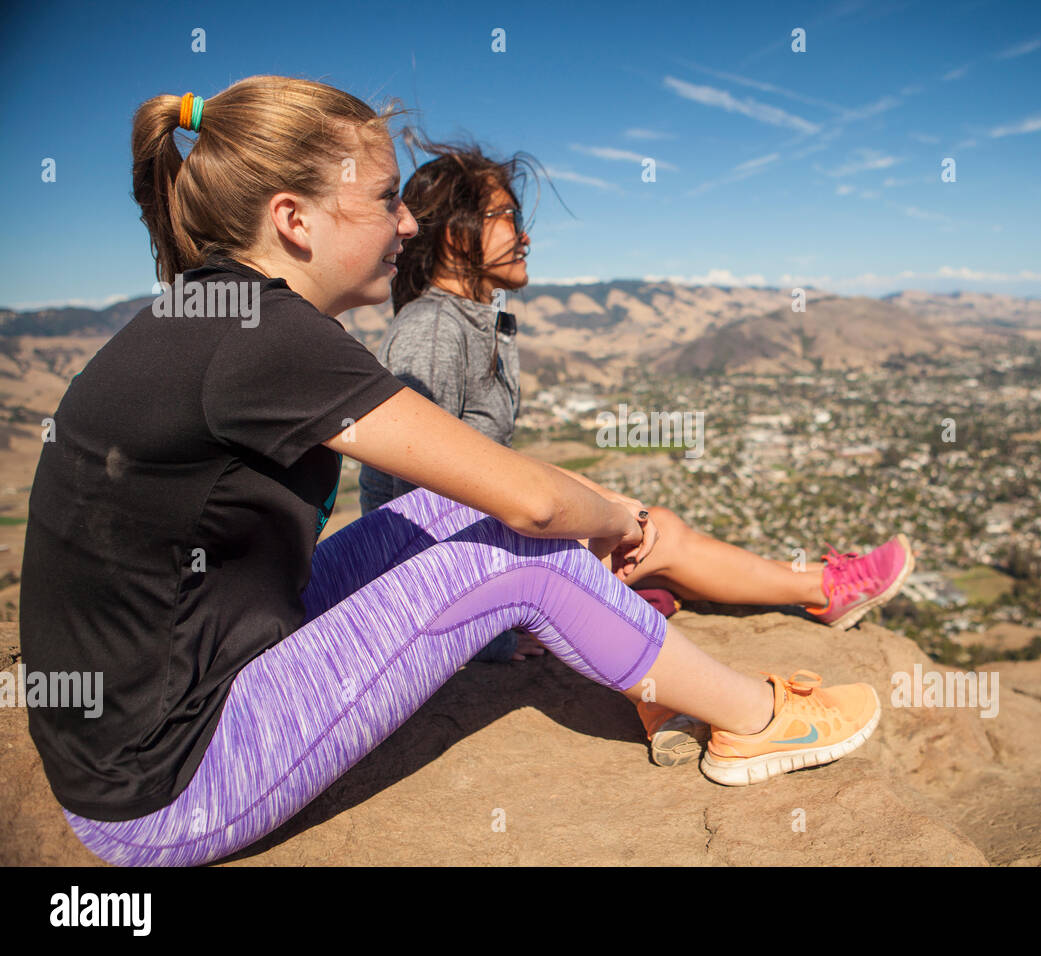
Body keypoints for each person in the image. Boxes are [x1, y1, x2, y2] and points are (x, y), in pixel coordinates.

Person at [18, 76, 884, 867]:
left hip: (172, 702)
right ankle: (760, 724)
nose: (407, 225)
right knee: (510, 556)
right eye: (387, 200)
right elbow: (536, 507)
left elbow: (487, 488)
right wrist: (621, 524)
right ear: (295, 219)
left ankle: (658, 675)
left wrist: (590, 510)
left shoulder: (218, 314)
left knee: (447, 515)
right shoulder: (265, 338)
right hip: (167, 783)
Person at [357, 142, 914, 764]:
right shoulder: (433, 329)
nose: (526, 236)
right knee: (659, 539)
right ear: (456, 234)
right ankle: (808, 603)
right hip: (442, 576)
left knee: (642, 539)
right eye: (507, 216)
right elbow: (403, 487)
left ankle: (675, 685)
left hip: (466, 561)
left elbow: (478, 461)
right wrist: (486, 640)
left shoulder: (467, 321)